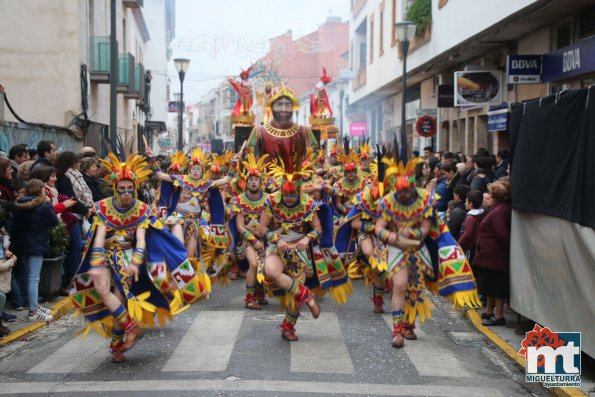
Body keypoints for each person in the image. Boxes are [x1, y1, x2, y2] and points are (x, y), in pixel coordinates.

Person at [70, 152, 211, 363]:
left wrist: (136, 262)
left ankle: (117, 344)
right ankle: (130, 326)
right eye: (122, 189)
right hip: (105, 257)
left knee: (119, 300)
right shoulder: (103, 208)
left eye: (130, 189)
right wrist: (97, 264)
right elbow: (98, 236)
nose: (126, 194)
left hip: (128, 258)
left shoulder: (141, 210)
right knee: (100, 289)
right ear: (115, 188)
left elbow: (142, 240)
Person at [375, 158, 480, 348]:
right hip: (396, 248)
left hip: (418, 249)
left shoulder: (425, 200)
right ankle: (397, 331)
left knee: (415, 289)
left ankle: (409, 324)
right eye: (401, 192)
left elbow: (424, 231)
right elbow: (379, 227)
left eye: (407, 191)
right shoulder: (387, 202)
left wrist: (410, 232)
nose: (405, 195)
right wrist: (389, 235)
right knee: (399, 286)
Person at [256, 146, 323, 342]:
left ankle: (288, 327)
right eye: (287, 194)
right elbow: (261, 229)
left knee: (295, 295)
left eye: (293, 194)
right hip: (277, 247)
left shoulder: (308, 204)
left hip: (299, 251)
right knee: (271, 272)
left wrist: (306, 239)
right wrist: (277, 239)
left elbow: (318, 228)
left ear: (299, 191)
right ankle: (307, 295)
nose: (290, 198)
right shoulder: (271, 202)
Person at [12, 179, 58, 321]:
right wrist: (50, 205)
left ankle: (35, 306)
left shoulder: (20, 205)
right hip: (36, 245)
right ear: (39, 190)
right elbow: (53, 222)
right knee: (33, 278)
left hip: (23, 245)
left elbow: (15, 227)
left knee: (29, 276)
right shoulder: (43, 205)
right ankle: (33, 311)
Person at [230, 153, 269, 310]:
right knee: (253, 264)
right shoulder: (239, 200)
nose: (253, 182)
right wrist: (254, 241)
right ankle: (249, 298)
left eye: (256, 180)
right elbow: (239, 226)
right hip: (247, 240)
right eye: (251, 180)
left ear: (261, 182)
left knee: (265, 265)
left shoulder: (269, 199)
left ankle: (259, 292)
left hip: (265, 238)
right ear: (246, 182)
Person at [474, 181, 512, 326]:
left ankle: (498, 316)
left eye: (491, 193)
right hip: (490, 256)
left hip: (495, 256)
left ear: (496, 196)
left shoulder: (499, 211)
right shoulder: (498, 209)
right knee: (490, 286)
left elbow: (503, 235)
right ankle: (490, 311)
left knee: (496, 288)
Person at [246, 85, 318, 161]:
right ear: (271, 107)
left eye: (288, 104)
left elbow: (315, 162)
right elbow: (249, 163)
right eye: (279, 104)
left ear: (293, 107)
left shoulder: (304, 131)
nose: (284, 109)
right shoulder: (259, 131)